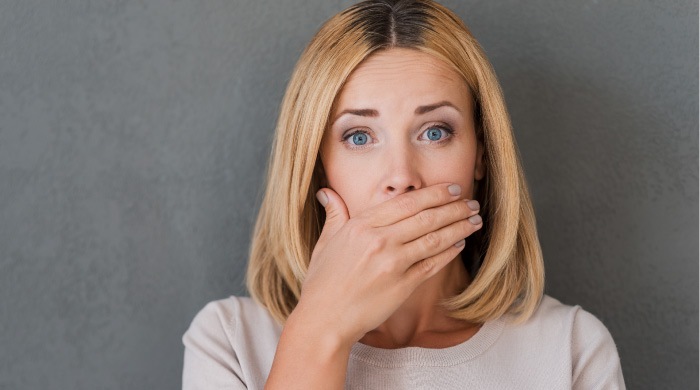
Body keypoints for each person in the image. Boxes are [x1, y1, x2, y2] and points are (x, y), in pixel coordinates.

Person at [182, 0, 626, 388]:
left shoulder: (570, 350)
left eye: (435, 132)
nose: (401, 177)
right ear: (318, 167)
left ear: (481, 156)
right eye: (359, 137)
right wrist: (319, 331)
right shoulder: (230, 341)